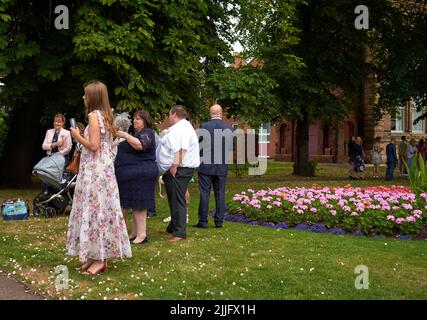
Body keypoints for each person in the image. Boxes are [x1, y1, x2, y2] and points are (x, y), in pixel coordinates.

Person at [66, 80, 131, 275]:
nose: (83, 98)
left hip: (95, 173)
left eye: (85, 94)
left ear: (93, 97)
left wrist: (77, 135)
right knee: (99, 211)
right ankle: (95, 256)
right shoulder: (105, 116)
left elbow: (93, 145)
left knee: (96, 211)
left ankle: (100, 260)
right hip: (102, 170)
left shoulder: (94, 116)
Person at [156, 105, 200, 241]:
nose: (168, 117)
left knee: (177, 197)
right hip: (177, 167)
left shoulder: (182, 128)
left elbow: (181, 149)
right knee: (173, 196)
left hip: (181, 167)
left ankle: (180, 232)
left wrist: (175, 165)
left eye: (169, 114)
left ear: (174, 114)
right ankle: (173, 226)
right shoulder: (181, 127)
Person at [114, 110, 158, 245]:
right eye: (134, 119)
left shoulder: (148, 133)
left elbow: (141, 145)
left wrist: (125, 135)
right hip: (133, 175)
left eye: (138, 119)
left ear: (145, 120)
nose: (135, 121)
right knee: (134, 203)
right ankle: (134, 233)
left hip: (143, 174)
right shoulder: (137, 134)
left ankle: (142, 235)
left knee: (140, 204)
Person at [194, 104, 233, 228]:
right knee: (220, 193)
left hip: (206, 165)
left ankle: (203, 221)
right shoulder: (229, 129)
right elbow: (231, 147)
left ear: (210, 114)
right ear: (221, 113)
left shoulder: (204, 126)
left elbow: (198, 144)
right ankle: (219, 221)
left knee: (204, 193)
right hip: (221, 165)